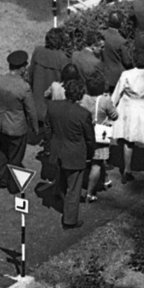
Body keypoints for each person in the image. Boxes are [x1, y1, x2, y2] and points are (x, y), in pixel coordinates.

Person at [43, 74, 94, 228]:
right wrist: (90, 153)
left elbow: (47, 128)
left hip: (57, 149)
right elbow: (89, 138)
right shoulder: (83, 114)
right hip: (75, 153)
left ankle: (58, 193)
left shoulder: (53, 107)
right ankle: (69, 220)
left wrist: (49, 145)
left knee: (62, 175)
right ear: (80, 95)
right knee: (74, 187)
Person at [0, 50, 39, 189]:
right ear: (22, 68)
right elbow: (31, 110)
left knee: (2, 150)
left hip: (0, 124)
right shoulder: (24, 87)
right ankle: (13, 184)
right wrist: (35, 127)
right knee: (16, 156)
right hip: (17, 128)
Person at [110, 55, 144, 180]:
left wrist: (112, 106)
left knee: (129, 139)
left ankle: (127, 169)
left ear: (135, 61)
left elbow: (117, 92)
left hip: (131, 108)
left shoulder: (126, 74)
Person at [82, 70, 118, 200]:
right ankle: (90, 193)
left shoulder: (83, 98)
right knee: (96, 163)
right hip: (100, 136)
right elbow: (115, 116)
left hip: (85, 134)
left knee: (90, 159)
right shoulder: (105, 100)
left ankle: (105, 180)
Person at [28, 28, 71, 115]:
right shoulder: (63, 59)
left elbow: (30, 75)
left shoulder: (38, 51)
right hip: (53, 109)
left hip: (35, 106)